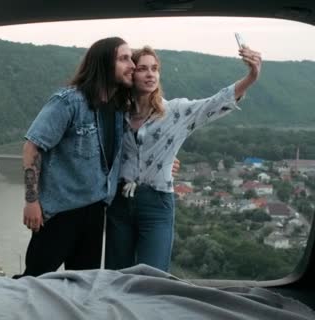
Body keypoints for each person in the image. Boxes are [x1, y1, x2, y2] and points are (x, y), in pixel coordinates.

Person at [104, 45, 262, 272]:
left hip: (157, 203)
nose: (151, 74)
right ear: (131, 74)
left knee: (152, 278)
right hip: (120, 202)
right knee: (115, 276)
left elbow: (214, 103)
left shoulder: (175, 112)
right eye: (143, 69)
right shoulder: (116, 114)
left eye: (155, 68)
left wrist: (251, 76)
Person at [14, 37, 134, 278]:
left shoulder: (118, 108)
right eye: (124, 58)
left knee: (82, 286)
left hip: (95, 210)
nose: (131, 64)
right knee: (35, 281)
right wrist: (31, 201)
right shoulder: (70, 101)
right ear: (103, 63)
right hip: (60, 213)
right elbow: (32, 147)